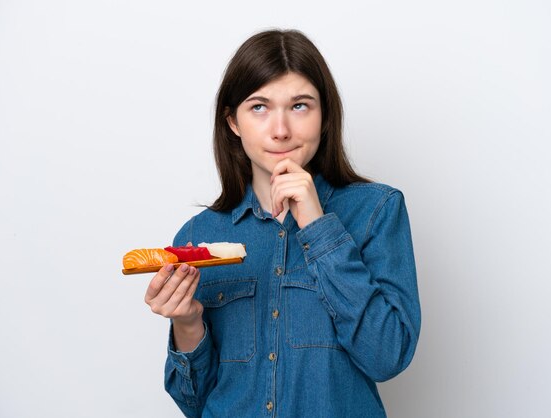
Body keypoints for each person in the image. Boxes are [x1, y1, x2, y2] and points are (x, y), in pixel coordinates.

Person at [144, 29, 421, 418]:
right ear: (233, 122)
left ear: (325, 116)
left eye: (300, 106)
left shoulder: (377, 211)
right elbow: (194, 404)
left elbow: (387, 357)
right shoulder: (197, 237)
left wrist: (317, 226)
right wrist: (187, 323)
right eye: (259, 107)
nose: (280, 130)